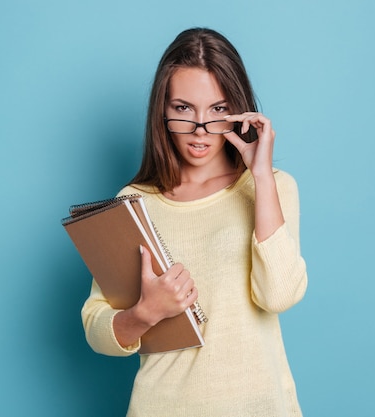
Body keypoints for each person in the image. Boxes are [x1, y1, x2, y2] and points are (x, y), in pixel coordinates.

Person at [81, 27, 308, 417]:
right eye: (183, 109)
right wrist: (146, 313)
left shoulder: (272, 188)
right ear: (162, 110)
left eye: (218, 110)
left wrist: (263, 176)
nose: (201, 129)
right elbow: (96, 327)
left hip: (259, 406)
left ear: (238, 111)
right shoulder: (133, 202)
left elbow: (279, 296)